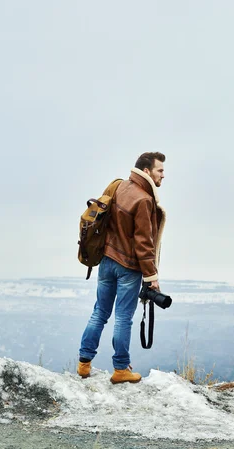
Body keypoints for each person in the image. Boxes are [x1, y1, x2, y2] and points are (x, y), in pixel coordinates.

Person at [77, 152, 166, 384]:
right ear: (146, 171)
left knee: (99, 312)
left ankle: (84, 364)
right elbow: (143, 242)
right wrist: (151, 276)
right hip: (128, 266)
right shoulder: (144, 200)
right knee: (123, 318)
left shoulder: (119, 187)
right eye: (160, 170)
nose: (163, 175)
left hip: (106, 261)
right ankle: (120, 369)